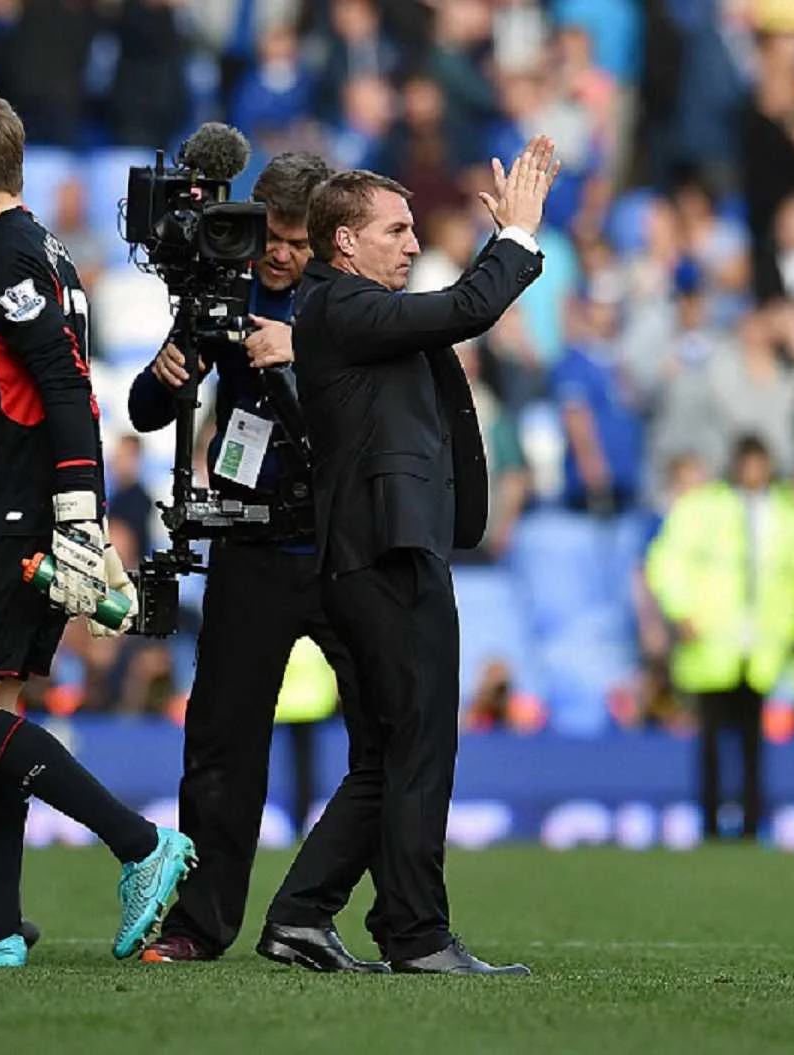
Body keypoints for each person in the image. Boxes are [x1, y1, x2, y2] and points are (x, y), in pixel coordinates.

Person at [0, 90, 195, 969]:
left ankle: (140, 844)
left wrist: (78, 516)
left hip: (13, 512)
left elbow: (67, 388)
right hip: (29, 505)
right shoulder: (52, 254)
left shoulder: (4, 258)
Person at [267, 137, 557, 975]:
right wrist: (518, 239)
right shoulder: (340, 306)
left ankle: (301, 915)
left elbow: (452, 314)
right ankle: (418, 934)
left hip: (383, 546)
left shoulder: (344, 309)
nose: (412, 241)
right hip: (384, 550)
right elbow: (464, 310)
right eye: (394, 230)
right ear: (344, 242)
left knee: (390, 752)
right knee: (421, 741)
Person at [128, 153, 377, 970]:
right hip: (250, 542)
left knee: (393, 735)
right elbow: (143, 406)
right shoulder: (219, 290)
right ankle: (199, 925)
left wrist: (299, 349)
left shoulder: (346, 301)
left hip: (340, 543)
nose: (278, 253)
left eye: (298, 240)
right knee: (222, 745)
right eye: (269, 234)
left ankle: (379, 914)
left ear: (327, 239)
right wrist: (167, 376)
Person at [646, 436, 794, 839]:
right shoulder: (703, 508)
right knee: (713, 742)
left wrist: (793, 628)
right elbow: (666, 563)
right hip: (713, 642)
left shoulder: (788, 514)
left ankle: (753, 822)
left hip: (761, 647)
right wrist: (681, 610)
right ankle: (711, 823)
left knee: (755, 742)